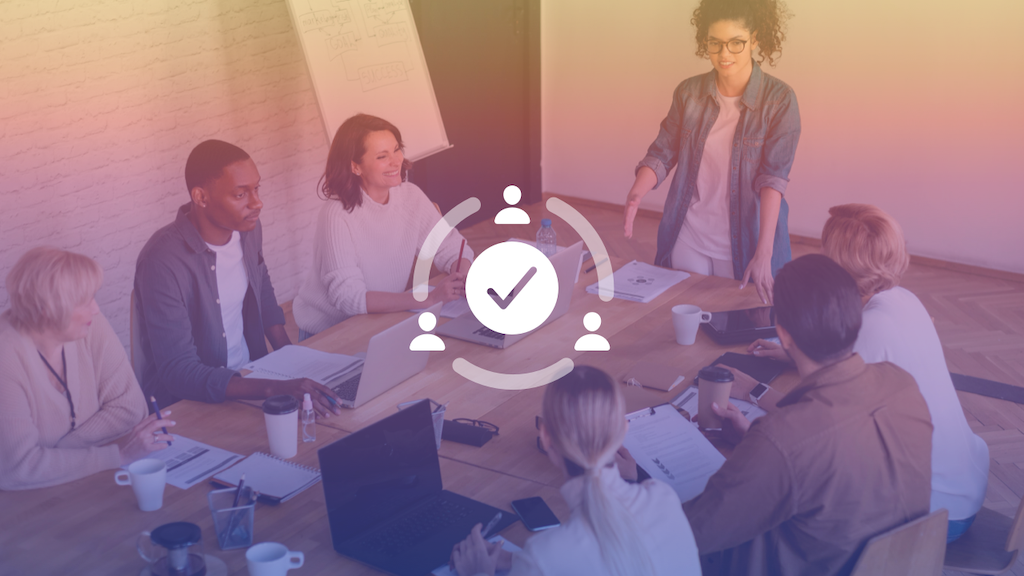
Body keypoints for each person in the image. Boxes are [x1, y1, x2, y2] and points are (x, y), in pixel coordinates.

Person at [750, 204, 989, 542]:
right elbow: (855, 363)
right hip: (965, 482)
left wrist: (751, 390)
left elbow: (812, 422)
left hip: (937, 513)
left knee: (789, 503)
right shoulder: (902, 299)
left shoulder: (872, 328)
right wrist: (794, 353)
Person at [684, 254, 932, 576]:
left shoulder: (782, 438)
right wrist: (754, 445)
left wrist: (638, 483)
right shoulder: (902, 384)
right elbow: (838, 461)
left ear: (783, 335)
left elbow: (693, 533)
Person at [135, 140, 342, 416]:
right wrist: (271, 388)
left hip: (252, 376)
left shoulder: (247, 230)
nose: (257, 203)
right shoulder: (162, 260)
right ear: (201, 197)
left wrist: (295, 363)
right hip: (194, 406)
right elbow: (179, 372)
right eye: (240, 194)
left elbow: (262, 289)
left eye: (256, 189)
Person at [623, 0, 800, 304]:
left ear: (755, 39)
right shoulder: (689, 92)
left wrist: (764, 252)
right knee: (681, 320)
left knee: (738, 326)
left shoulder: (779, 100)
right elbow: (664, 151)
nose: (724, 54)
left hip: (747, 242)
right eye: (715, 43)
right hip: (688, 234)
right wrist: (637, 193)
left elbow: (773, 180)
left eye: (736, 43)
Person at [450, 366, 700, 576]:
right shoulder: (663, 498)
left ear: (546, 437)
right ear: (623, 430)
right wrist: (515, 562)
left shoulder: (545, 556)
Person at [0, 247, 176, 490]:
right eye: (85, 302)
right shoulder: (6, 357)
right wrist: (117, 456)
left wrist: (55, 453)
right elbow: (17, 468)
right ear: (48, 311)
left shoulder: (89, 325)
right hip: (25, 507)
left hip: (83, 483)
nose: (96, 309)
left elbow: (131, 409)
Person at [293, 114, 472, 338]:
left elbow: (454, 248)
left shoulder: (410, 196)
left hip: (381, 320)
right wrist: (429, 298)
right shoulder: (336, 214)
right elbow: (349, 297)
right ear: (355, 167)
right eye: (382, 156)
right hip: (330, 333)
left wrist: (461, 277)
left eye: (397, 149)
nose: (396, 161)